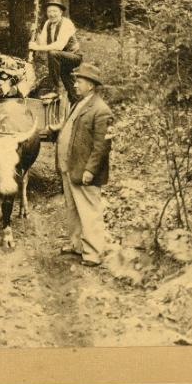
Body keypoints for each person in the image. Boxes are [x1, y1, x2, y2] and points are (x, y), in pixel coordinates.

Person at [53, 62, 112, 267]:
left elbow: (101, 146)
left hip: (84, 169)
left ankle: (94, 253)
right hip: (70, 166)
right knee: (73, 208)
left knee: (89, 210)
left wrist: (90, 170)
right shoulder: (80, 103)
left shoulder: (101, 110)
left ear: (91, 85)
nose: (75, 84)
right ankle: (77, 244)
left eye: (79, 80)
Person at [28, 0, 82, 104]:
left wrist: (37, 47)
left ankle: (54, 89)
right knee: (71, 87)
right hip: (61, 60)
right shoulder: (48, 24)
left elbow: (59, 46)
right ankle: (77, 107)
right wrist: (35, 33)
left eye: (55, 11)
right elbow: (42, 43)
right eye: (49, 11)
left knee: (53, 53)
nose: (52, 14)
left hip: (73, 57)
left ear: (61, 12)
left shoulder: (66, 23)